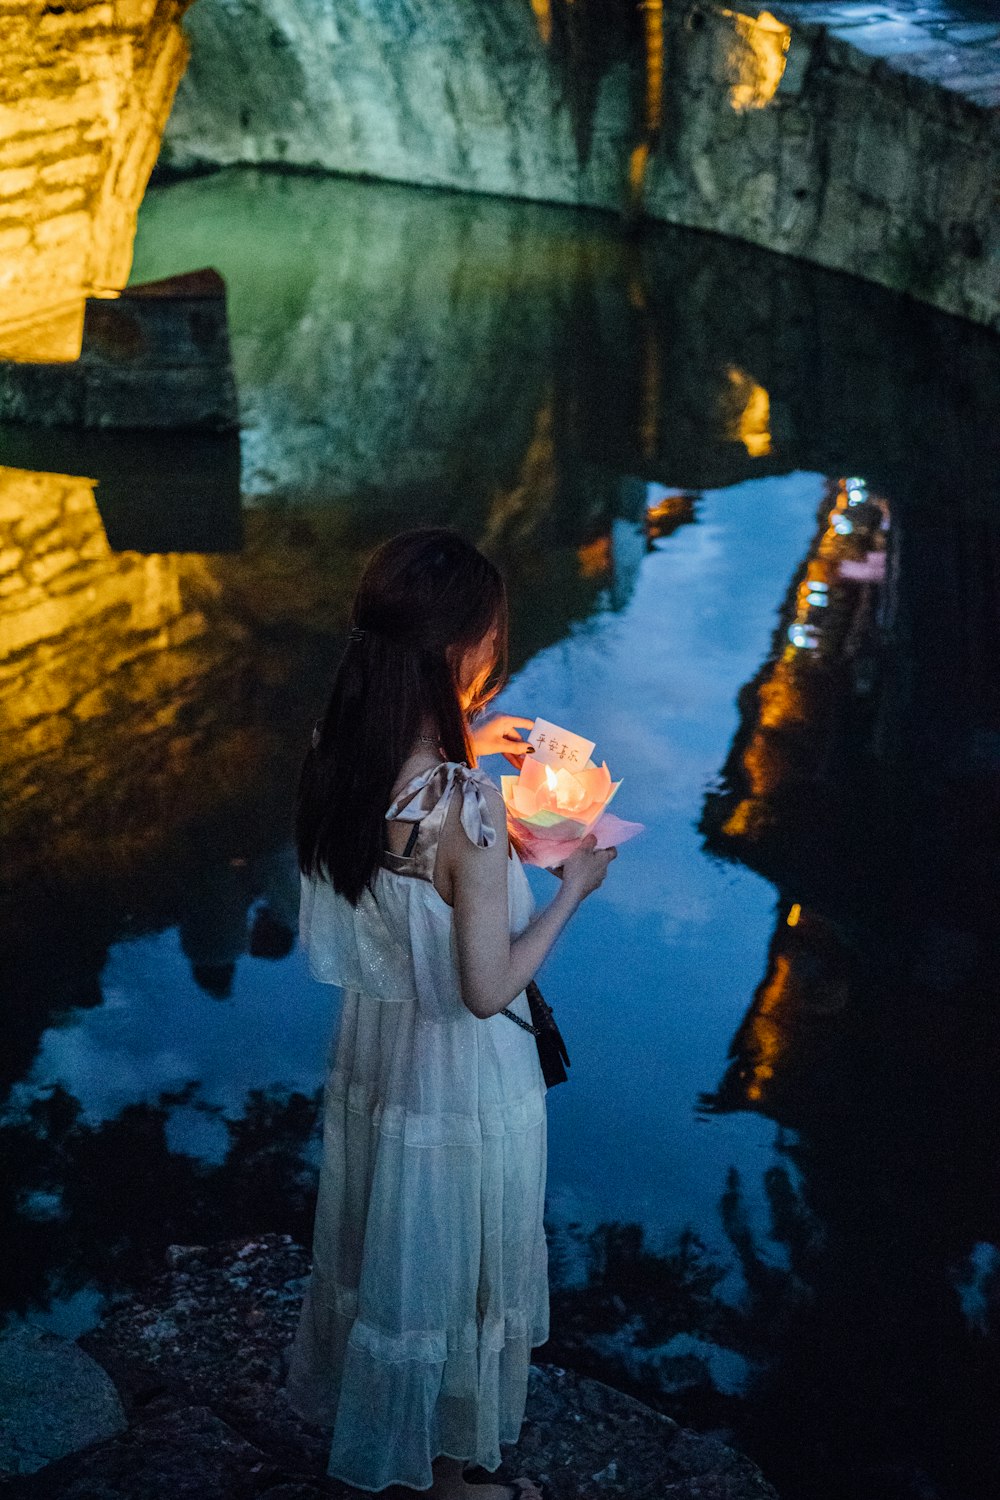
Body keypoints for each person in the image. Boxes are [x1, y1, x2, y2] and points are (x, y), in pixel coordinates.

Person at [283, 528, 617, 1499]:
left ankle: (391, 1441)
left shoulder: (336, 753)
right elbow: (485, 988)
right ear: (461, 649)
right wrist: (570, 891)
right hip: (461, 1074)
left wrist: (487, 740)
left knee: (390, 1251)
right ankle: (447, 1479)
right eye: (487, 639)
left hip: (380, 1045)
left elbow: (412, 841)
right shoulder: (464, 807)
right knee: (454, 1264)